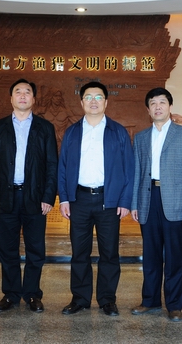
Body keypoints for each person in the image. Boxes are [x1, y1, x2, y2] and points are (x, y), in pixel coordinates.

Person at [58, 81, 134, 317]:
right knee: (79, 252)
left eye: (98, 97)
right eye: (89, 97)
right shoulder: (72, 132)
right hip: (79, 200)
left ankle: (107, 299)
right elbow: (63, 167)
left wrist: (124, 201)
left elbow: (129, 169)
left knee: (109, 253)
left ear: (106, 102)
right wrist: (64, 199)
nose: (93, 101)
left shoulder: (118, 131)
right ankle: (80, 298)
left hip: (108, 201)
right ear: (81, 102)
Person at [0, 79, 58, 313]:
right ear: (11, 98)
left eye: (28, 92)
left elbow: (52, 164)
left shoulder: (45, 127)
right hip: (6, 197)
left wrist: (48, 196)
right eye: (18, 91)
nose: (23, 95)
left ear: (34, 99)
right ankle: (11, 294)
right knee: (6, 248)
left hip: (35, 197)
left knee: (35, 249)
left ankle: (32, 294)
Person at [130, 87, 182, 322]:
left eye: (162, 102)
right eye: (153, 103)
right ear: (148, 110)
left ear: (170, 106)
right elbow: (137, 172)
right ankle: (150, 300)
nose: (157, 106)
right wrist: (134, 203)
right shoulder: (141, 137)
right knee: (150, 254)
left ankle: (174, 304)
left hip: (175, 201)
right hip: (148, 199)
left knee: (174, 255)